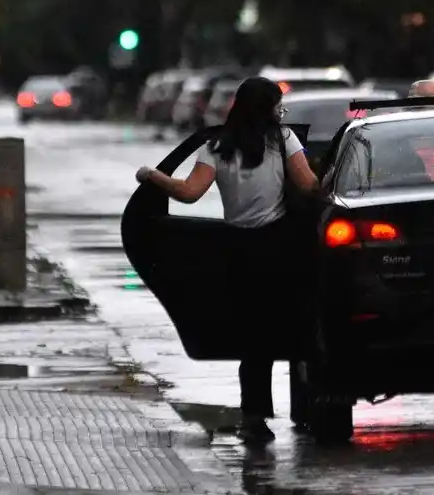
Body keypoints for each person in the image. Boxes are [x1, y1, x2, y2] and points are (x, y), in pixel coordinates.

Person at [135, 76, 319, 442]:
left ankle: (253, 418)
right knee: (299, 326)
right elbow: (309, 186)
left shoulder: (216, 147)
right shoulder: (283, 140)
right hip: (281, 247)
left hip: (238, 250)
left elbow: (189, 193)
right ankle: (306, 405)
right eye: (277, 107)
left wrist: (152, 176)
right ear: (266, 109)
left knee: (254, 338)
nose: (280, 113)